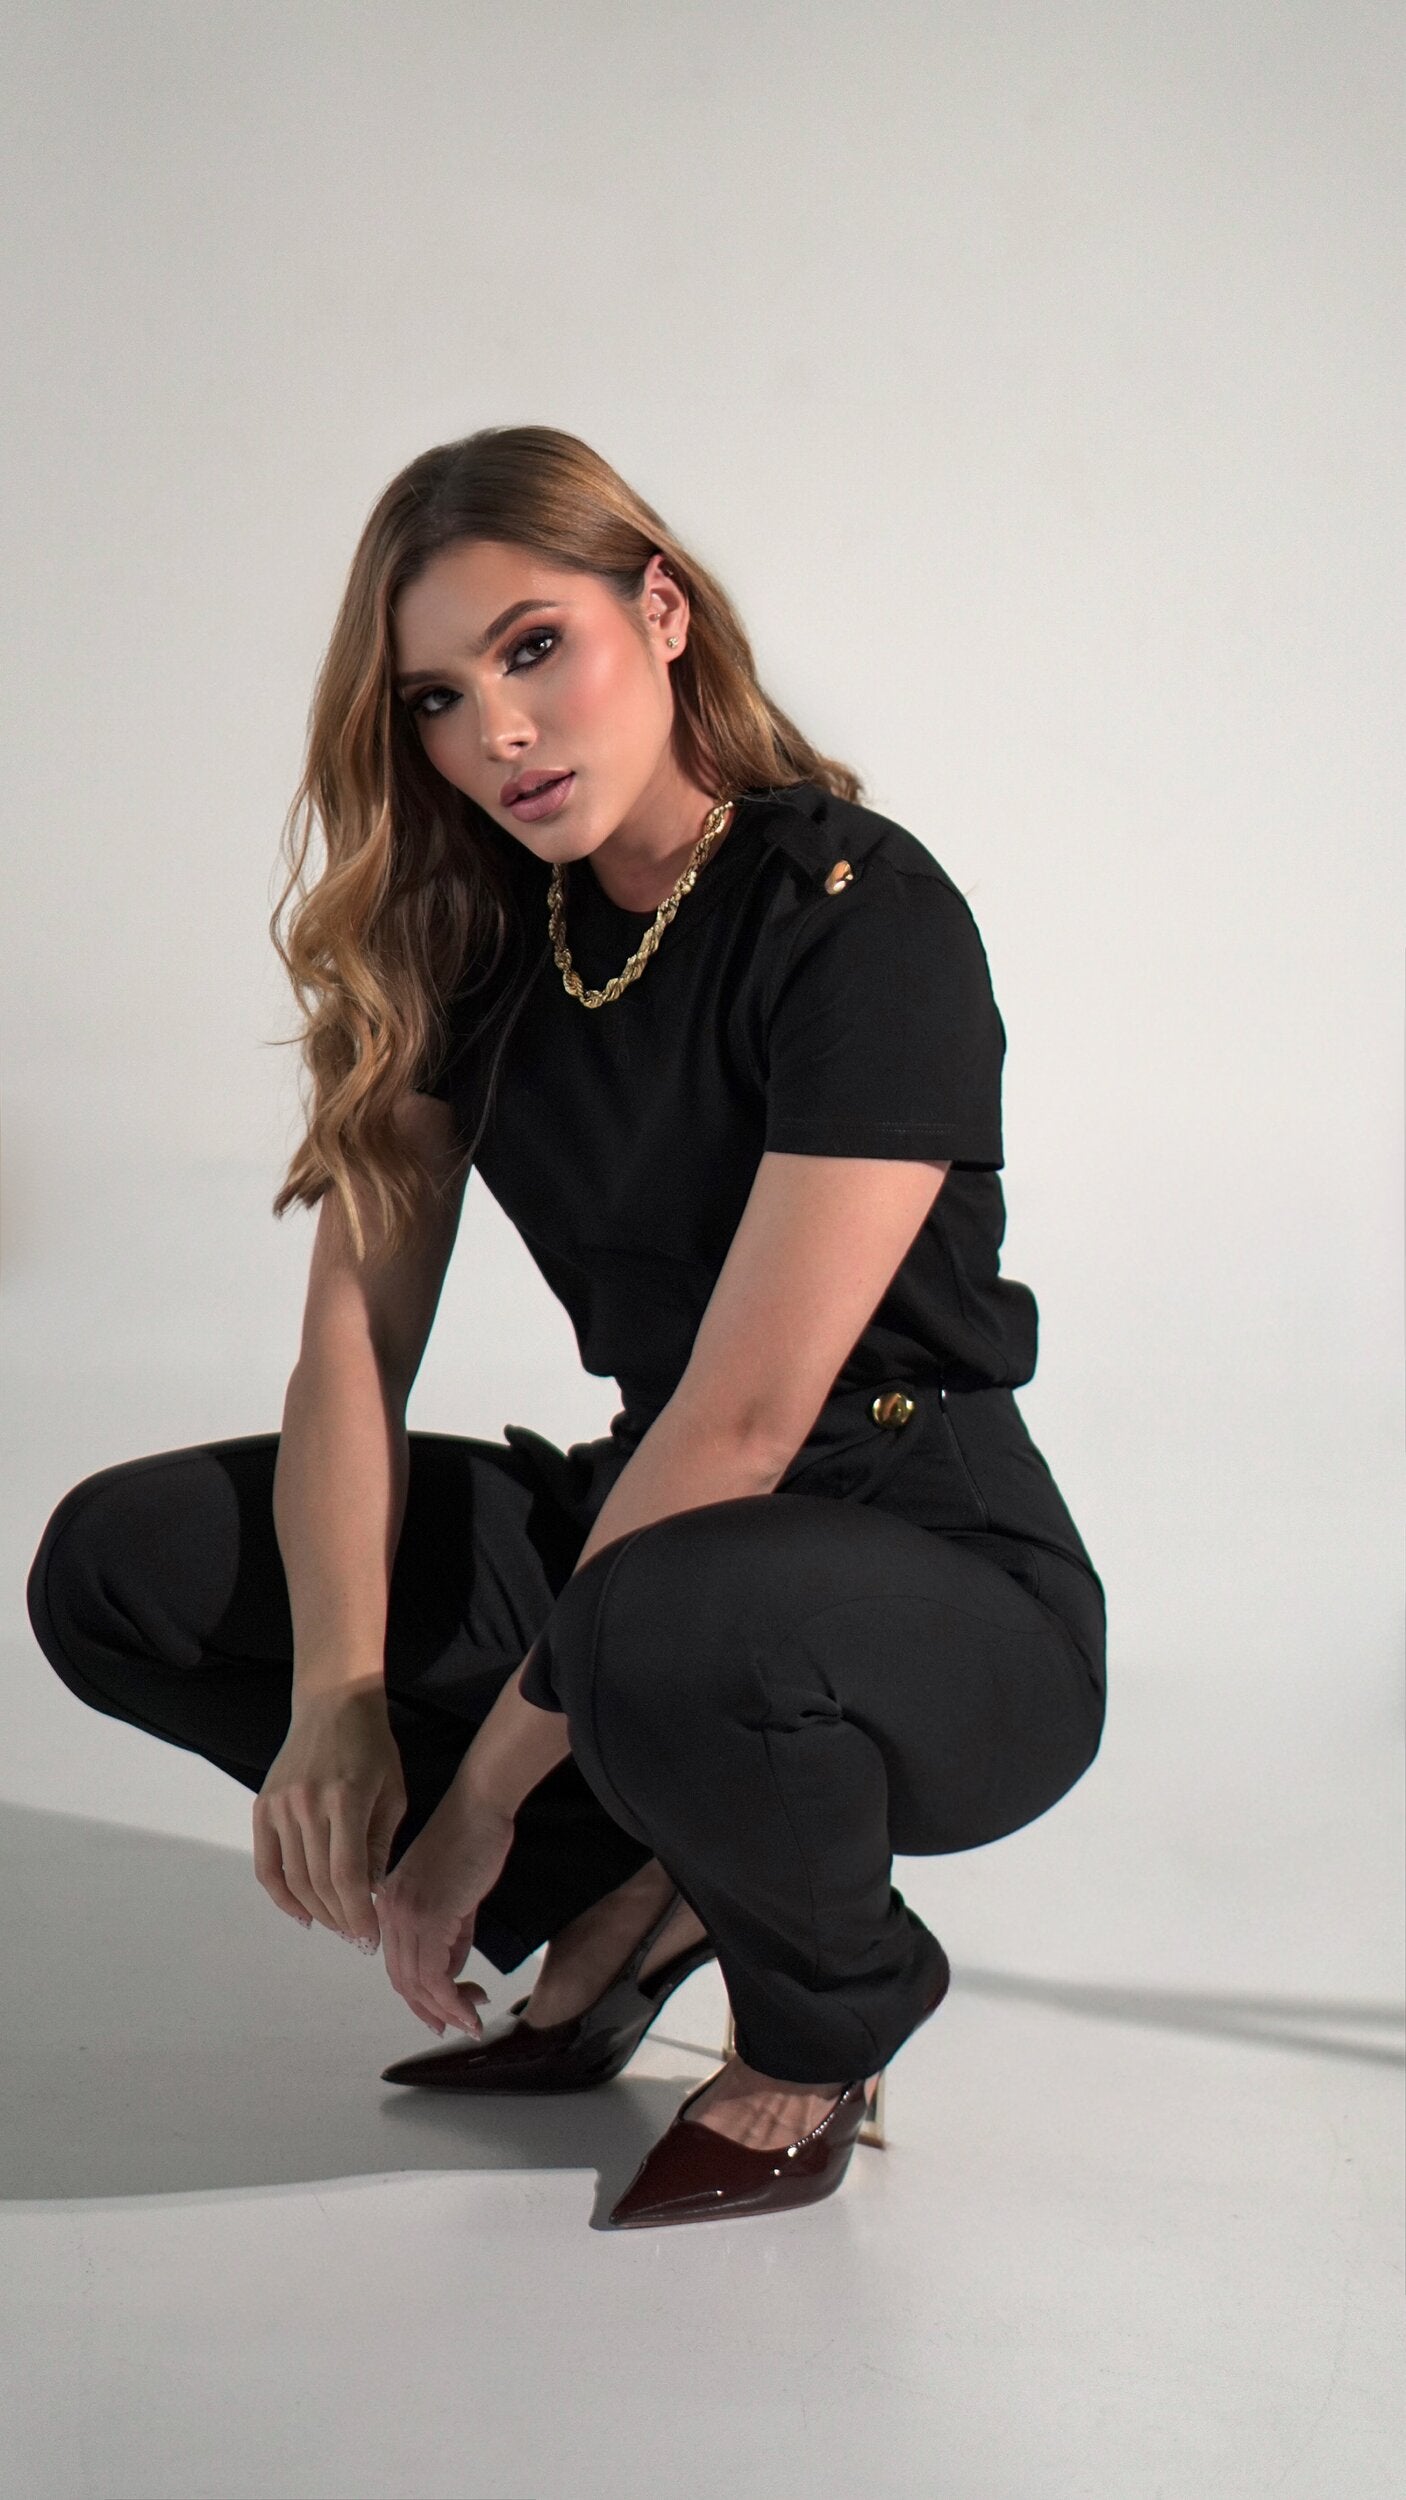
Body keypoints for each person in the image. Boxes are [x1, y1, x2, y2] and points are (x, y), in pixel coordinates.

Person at [25, 423, 1107, 2229]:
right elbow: (350, 1355)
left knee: (666, 1613)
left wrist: (467, 1816)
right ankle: (644, 1882)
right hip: (647, 1548)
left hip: (927, 1575)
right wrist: (335, 1701)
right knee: (123, 1568)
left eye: (535, 648)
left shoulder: (858, 917)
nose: (500, 733)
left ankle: (829, 2008)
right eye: (439, 701)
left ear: (660, 611)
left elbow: (744, 1428)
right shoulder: (480, 943)